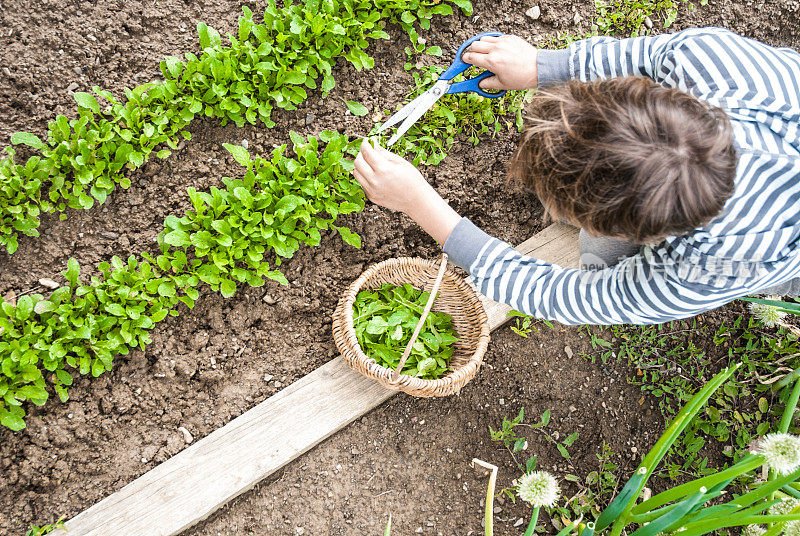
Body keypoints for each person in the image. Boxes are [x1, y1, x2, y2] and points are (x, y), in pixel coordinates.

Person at [352, 28, 800, 325]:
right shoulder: (710, 61)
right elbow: (644, 54)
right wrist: (543, 67)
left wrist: (423, 208)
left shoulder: (707, 269)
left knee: (600, 256)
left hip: (784, 250)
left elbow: (571, 296)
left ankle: (601, 243)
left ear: (643, 232)